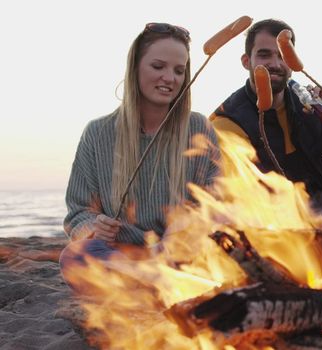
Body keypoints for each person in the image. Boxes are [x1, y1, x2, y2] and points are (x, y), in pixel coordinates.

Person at [60, 23, 221, 291]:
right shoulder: (98, 133)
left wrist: (187, 225)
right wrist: (93, 227)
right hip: (122, 255)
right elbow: (78, 211)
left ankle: (151, 281)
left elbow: (216, 200)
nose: (170, 78)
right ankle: (154, 280)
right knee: (75, 256)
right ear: (135, 67)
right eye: (158, 66)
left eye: (179, 71)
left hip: (181, 254)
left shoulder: (198, 128)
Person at [209, 19, 322, 221]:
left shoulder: (309, 104)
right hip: (275, 227)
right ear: (246, 61)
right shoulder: (228, 119)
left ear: (292, 64)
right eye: (264, 55)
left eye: (283, 56)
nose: (275, 64)